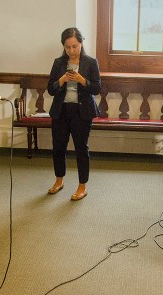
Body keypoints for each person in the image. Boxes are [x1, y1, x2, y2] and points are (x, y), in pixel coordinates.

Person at [46, 27, 101, 201]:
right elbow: (50, 90)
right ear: (63, 46)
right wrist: (61, 80)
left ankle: (82, 186)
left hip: (82, 112)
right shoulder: (58, 63)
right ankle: (59, 180)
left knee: (81, 149)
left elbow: (97, 88)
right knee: (58, 148)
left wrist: (81, 80)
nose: (71, 50)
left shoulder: (90, 63)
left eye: (75, 46)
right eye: (67, 47)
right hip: (61, 111)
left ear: (81, 43)